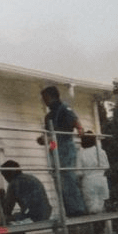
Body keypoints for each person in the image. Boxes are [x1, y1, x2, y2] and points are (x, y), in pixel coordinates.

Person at [36, 86, 86, 217]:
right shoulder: (49, 116)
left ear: (52, 96)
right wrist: (43, 139)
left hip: (65, 145)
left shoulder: (64, 109)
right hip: (54, 145)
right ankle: (69, 209)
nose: (44, 101)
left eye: (45, 98)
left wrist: (80, 129)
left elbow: (75, 121)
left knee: (68, 176)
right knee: (58, 178)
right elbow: (49, 135)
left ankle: (77, 209)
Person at [0, 160, 52, 234]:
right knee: (16, 221)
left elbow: (7, 210)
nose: (5, 179)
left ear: (9, 174)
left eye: (5, 175)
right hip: (44, 212)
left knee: (4, 225)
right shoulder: (29, 178)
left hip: (35, 215)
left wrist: (2, 198)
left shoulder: (14, 183)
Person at [77, 131, 110, 214]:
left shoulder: (81, 153)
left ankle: (97, 226)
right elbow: (107, 166)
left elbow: (79, 172)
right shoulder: (101, 151)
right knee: (102, 207)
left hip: (89, 181)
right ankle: (105, 226)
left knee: (92, 208)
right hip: (101, 180)